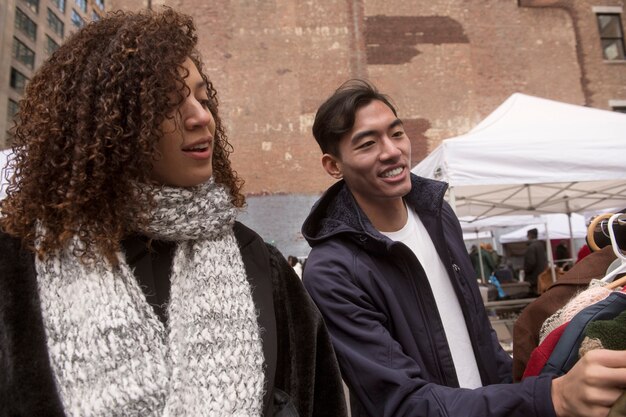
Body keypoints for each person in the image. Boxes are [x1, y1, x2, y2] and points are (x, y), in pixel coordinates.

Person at [0, 9, 347, 416]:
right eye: (167, 103)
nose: (202, 117)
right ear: (108, 124)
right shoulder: (17, 266)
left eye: (203, 99)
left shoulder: (261, 266)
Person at [301, 79, 626, 417]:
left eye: (396, 134)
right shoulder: (331, 272)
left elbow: (481, 335)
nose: (392, 151)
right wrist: (546, 397)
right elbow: (400, 403)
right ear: (333, 165)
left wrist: (517, 389)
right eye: (367, 144)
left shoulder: (438, 215)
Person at [524, 228, 549, 295]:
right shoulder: (541, 245)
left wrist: (526, 270)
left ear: (530, 235)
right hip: (542, 274)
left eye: (527, 235)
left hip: (534, 276)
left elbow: (531, 262)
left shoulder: (531, 247)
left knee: (535, 295)